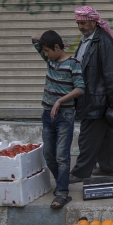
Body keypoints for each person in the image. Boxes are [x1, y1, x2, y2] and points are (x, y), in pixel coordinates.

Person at [69, 6, 113, 182]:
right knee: (107, 137)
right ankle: (109, 169)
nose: (80, 27)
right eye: (78, 23)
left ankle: (80, 172)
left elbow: (111, 73)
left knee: (88, 137)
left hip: (97, 99)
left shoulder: (104, 42)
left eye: (83, 23)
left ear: (93, 21)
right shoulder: (87, 39)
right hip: (92, 97)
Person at [31, 30, 85, 209]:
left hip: (65, 115)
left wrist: (60, 100)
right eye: (44, 51)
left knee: (62, 155)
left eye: (47, 50)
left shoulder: (73, 64)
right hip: (47, 114)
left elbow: (80, 88)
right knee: (49, 154)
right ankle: (62, 180)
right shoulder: (50, 60)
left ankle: (62, 192)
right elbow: (34, 37)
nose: (45, 54)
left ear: (56, 48)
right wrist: (58, 40)